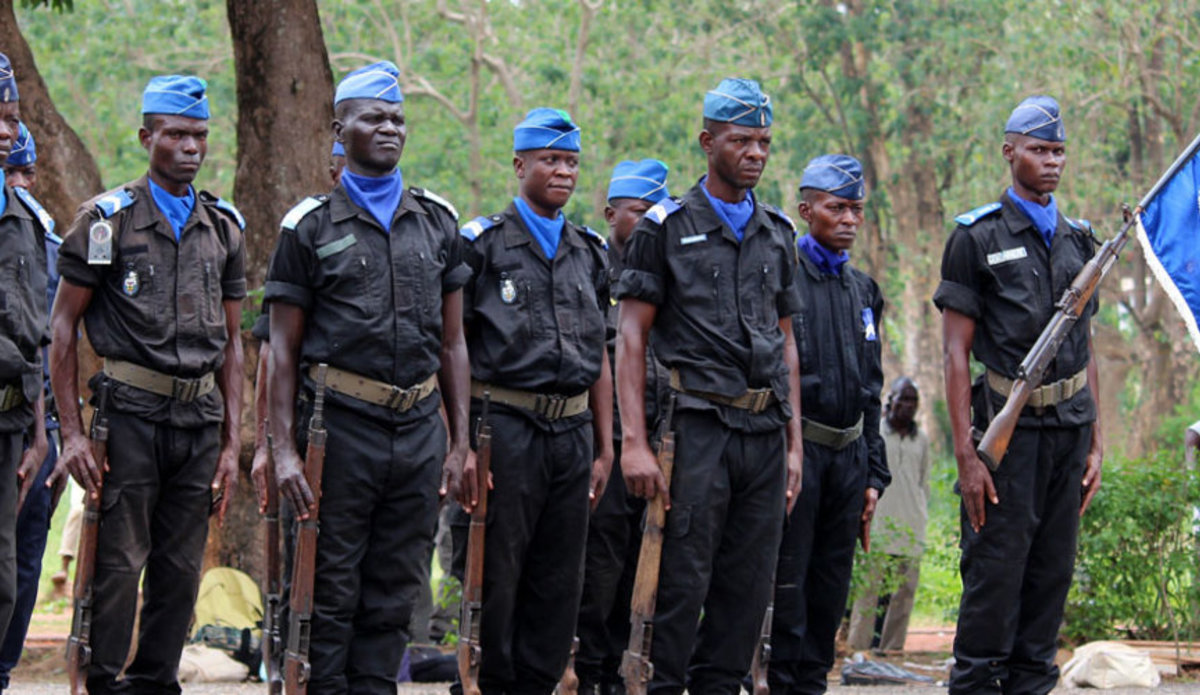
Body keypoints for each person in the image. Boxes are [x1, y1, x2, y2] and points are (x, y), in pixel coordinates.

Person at [264, 61, 471, 694]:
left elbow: (454, 343)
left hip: (416, 432)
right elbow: (280, 349)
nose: (390, 128)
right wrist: (281, 449)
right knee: (330, 590)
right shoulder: (308, 226)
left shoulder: (438, 221)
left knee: (393, 591)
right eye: (374, 117)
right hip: (339, 431)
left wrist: (459, 442)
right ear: (340, 127)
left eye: (398, 118)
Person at [48, 74, 246, 694]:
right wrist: (73, 434)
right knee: (117, 562)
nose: (190, 147)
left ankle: (155, 682)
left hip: (198, 419)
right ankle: (102, 679)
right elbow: (62, 327)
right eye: (176, 134)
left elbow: (235, 343)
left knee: (181, 568)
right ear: (146, 137)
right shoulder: (107, 220)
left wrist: (233, 442)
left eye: (200, 136)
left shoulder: (223, 227)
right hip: (128, 413)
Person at [615, 77, 804, 694]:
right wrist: (634, 443)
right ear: (707, 141)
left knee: (748, 590)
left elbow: (787, 345)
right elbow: (632, 337)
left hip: (764, 432)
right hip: (696, 428)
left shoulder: (778, 232)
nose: (755, 153)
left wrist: (795, 444)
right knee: (682, 584)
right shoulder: (664, 227)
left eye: (765, 143)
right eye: (741, 140)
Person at [932, 95, 1103, 695]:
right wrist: (966, 456)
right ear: (1010, 153)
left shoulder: (1081, 241)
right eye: (1038, 150)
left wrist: (1096, 443)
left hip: (1068, 431)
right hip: (1007, 441)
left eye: (1058, 151)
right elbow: (955, 353)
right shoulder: (976, 237)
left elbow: (1085, 346)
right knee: (994, 585)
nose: (1051, 161)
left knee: (1049, 584)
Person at [450, 106, 613, 695]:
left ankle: (538, 684)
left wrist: (604, 445)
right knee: (499, 573)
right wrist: (462, 442)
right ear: (520, 165)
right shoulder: (483, 245)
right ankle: (490, 683)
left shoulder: (591, 252)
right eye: (549, 160)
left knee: (560, 577)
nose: (562, 171)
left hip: (571, 435)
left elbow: (600, 356)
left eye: (571, 161)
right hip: (505, 429)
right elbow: (454, 347)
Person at [768, 154, 888, 694]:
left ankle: (812, 684)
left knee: (830, 589)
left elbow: (872, 388)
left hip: (849, 458)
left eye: (856, 210)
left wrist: (872, 475)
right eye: (836, 208)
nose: (849, 220)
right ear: (806, 210)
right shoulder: (783, 278)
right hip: (800, 456)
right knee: (787, 587)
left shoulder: (863, 291)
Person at [575, 159, 671, 695]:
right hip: (606, 448)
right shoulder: (589, 267)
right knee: (600, 572)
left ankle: (623, 675)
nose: (650, 221)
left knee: (646, 573)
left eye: (657, 210)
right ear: (611, 213)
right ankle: (588, 675)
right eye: (639, 211)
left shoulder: (668, 273)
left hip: (662, 448)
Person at [0, 122, 65, 693]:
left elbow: (50, 340)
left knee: (24, 560)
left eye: (25, 171)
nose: (18, 181)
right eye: (9, 171)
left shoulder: (43, 233)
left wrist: (57, 431)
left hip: (34, 423)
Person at [0, 53, 52, 649]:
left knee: (4, 582)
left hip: (11, 423)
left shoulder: (24, 222)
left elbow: (36, 335)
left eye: (11, 118)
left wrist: (41, 433)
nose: (6, 130)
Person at [847, 377, 930, 653]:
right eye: (902, 398)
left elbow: (923, 484)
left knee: (903, 599)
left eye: (912, 400)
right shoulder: (876, 434)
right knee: (867, 598)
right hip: (878, 527)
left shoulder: (922, 440)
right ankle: (857, 654)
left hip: (910, 529)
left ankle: (892, 656)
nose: (907, 405)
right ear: (889, 401)